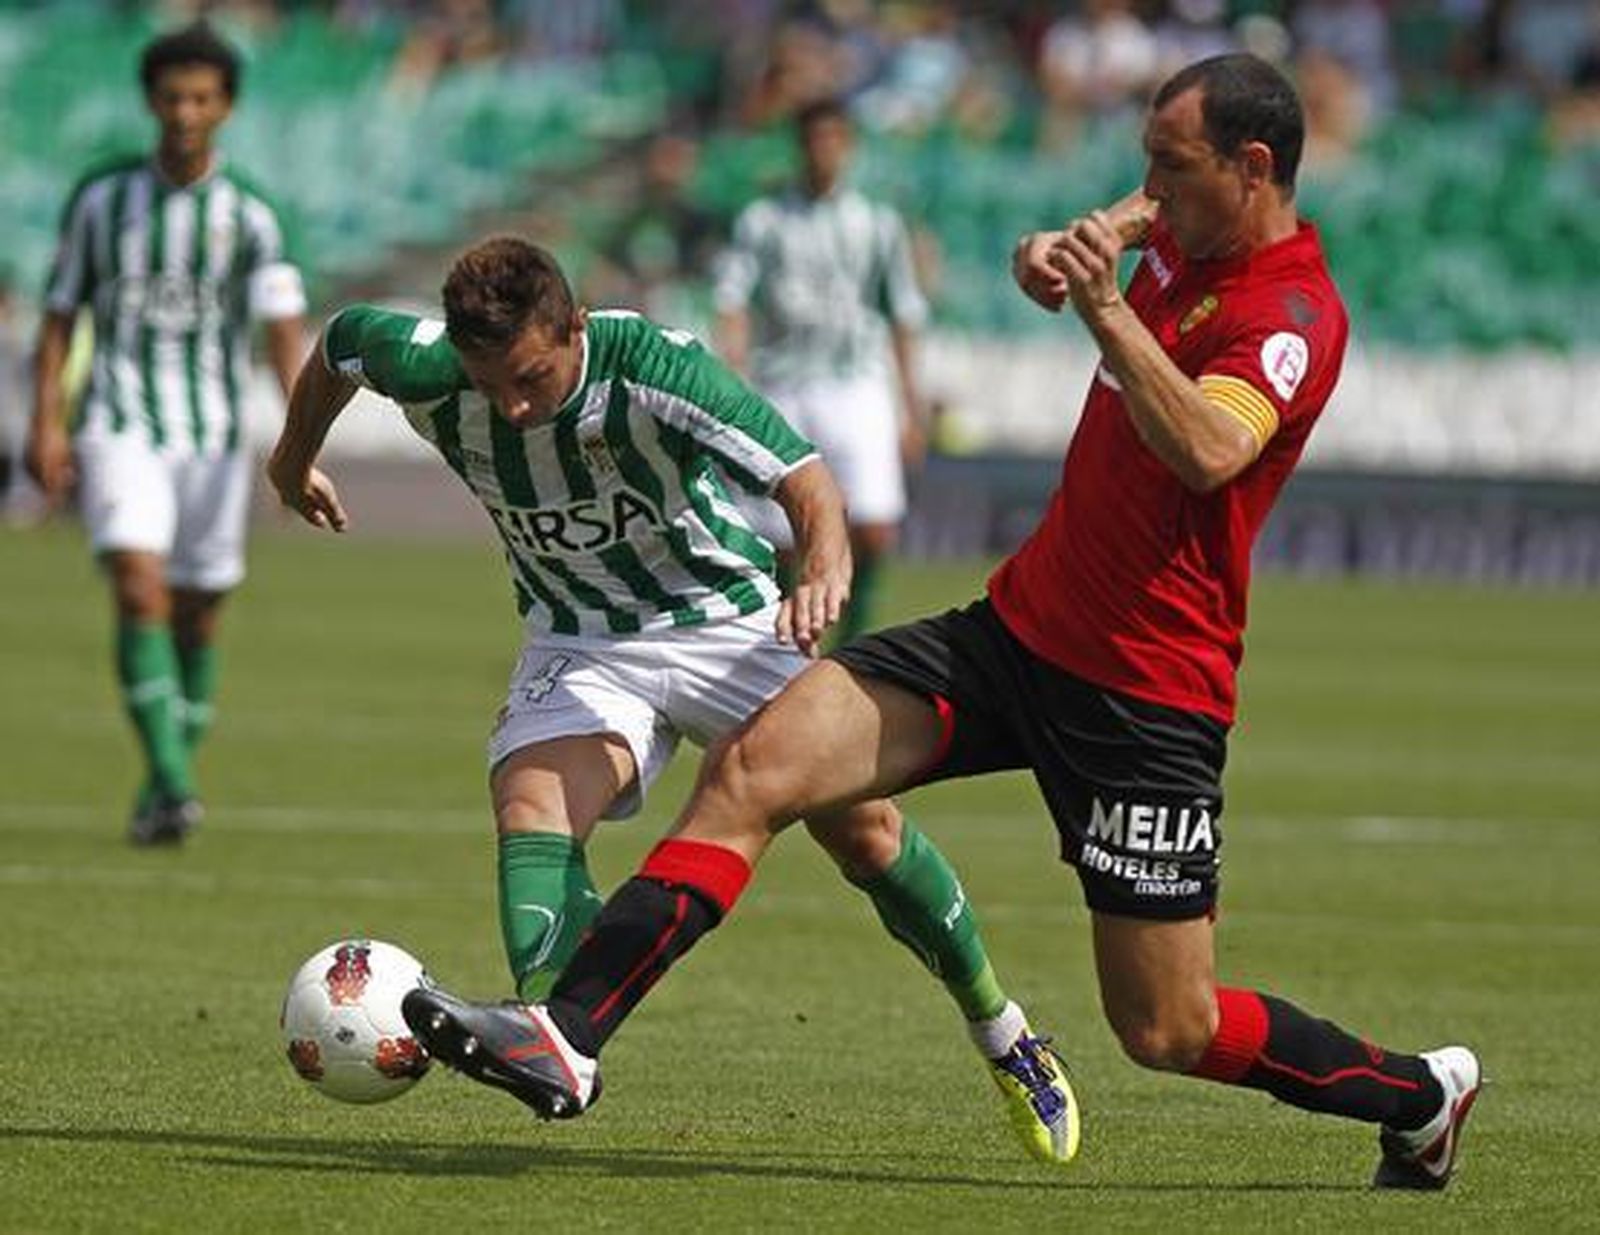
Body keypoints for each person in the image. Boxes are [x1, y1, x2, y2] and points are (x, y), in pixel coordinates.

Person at [405, 56, 1483, 1190]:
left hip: (1144, 692)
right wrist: (1066, 246)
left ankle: (1418, 1094)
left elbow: (1212, 450)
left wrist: (1104, 303)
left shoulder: (1291, 311)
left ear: (1252, 168)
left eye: (1168, 166)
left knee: (1166, 1025)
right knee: (759, 761)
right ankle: (568, 1035)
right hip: (1012, 633)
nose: (1146, 190)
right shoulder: (1179, 230)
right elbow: (1123, 230)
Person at [268, 236, 1078, 1166]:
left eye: (532, 377)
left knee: (865, 834)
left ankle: (1005, 1032)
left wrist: (823, 563)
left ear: (573, 327)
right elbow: (339, 344)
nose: (514, 406)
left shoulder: (655, 365)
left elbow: (806, 480)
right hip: (578, 640)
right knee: (531, 804)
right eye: (492, 385)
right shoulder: (428, 364)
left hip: (725, 623)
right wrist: (292, 461)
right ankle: (557, 1038)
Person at [25, 22, 308, 845]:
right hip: (118, 419)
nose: (186, 112)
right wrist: (46, 421)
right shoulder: (102, 198)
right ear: (151, 101)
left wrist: (301, 440)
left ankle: (161, 783)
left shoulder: (254, 213)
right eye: (173, 96)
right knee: (138, 587)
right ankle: (179, 780)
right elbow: (58, 315)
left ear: (226, 107)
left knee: (198, 614)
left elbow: (283, 331)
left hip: (213, 434)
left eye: (202, 98)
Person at [713, 97, 928, 644]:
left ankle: (853, 638)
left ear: (849, 146)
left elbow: (903, 314)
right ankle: (785, 637)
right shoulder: (762, 220)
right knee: (782, 531)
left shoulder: (878, 226)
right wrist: (734, 378)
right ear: (800, 145)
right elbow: (732, 299)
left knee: (875, 525)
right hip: (782, 382)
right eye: (814, 139)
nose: (824, 150)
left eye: (835, 139)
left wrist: (910, 404)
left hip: (856, 382)